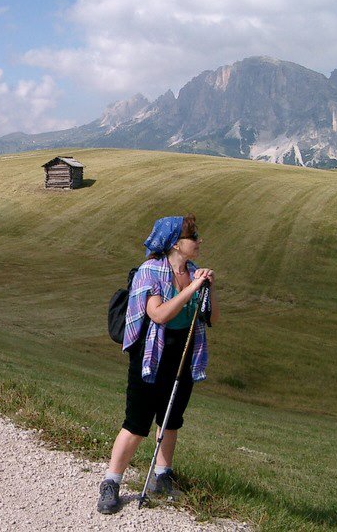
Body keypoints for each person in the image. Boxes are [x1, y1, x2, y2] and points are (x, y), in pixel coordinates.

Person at [97, 214, 219, 515]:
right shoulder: (149, 272)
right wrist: (191, 289)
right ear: (176, 243)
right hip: (150, 356)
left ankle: (162, 476)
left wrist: (209, 288)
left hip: (183, 353)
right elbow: (159, 315)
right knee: (136, 423)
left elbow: (213, 319)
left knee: (171, 419)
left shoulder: (193, 272)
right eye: (194, 237)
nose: (199, 242)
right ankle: (111, 483)